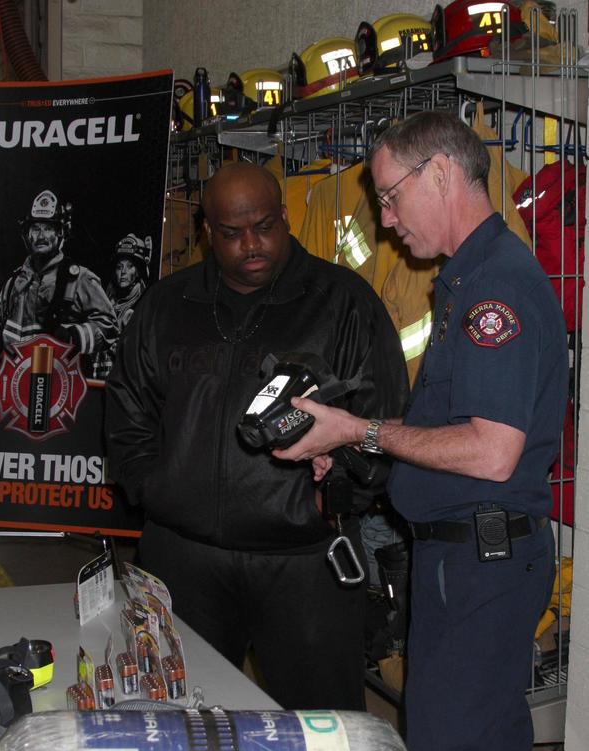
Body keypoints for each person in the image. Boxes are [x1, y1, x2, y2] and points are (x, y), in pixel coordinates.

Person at [273, 111, 568, 751]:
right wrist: (363, 444)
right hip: (468, 560)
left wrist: (361, 429)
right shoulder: (470, 279)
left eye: (392, 195)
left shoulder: (496, 289)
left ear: (441, 174)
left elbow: (492, 450)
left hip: (480, 565)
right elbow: (446, 428)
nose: (385, 218)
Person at [105, 161, 408, 711]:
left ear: (286, 218)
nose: (251, 244)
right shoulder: (166, 306)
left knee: (322, 729)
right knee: (177, 718)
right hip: (183, 560)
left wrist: (331, 498)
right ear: (206, 233)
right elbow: (128, 407)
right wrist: (154, 488)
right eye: (231, 233)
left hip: (305, 563)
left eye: (265, 226)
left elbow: (382, 420)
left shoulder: (343, 303)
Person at [0, 190, 118, 378]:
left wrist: (74, 336)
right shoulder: (14, 283)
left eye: (48, 228)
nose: (41, 236)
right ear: (27, 234)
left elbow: (109, 325)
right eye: (35, 228)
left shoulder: (79, 279)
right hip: (17, 383)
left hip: (61, 386)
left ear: (60, 233)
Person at [94, 233, 151, 379]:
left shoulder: (144, 307)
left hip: (124, 385)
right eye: (119, 267)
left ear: (138, 271)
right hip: (97, 381)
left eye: (130, 266)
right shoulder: (105, 303)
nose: (123, 272)